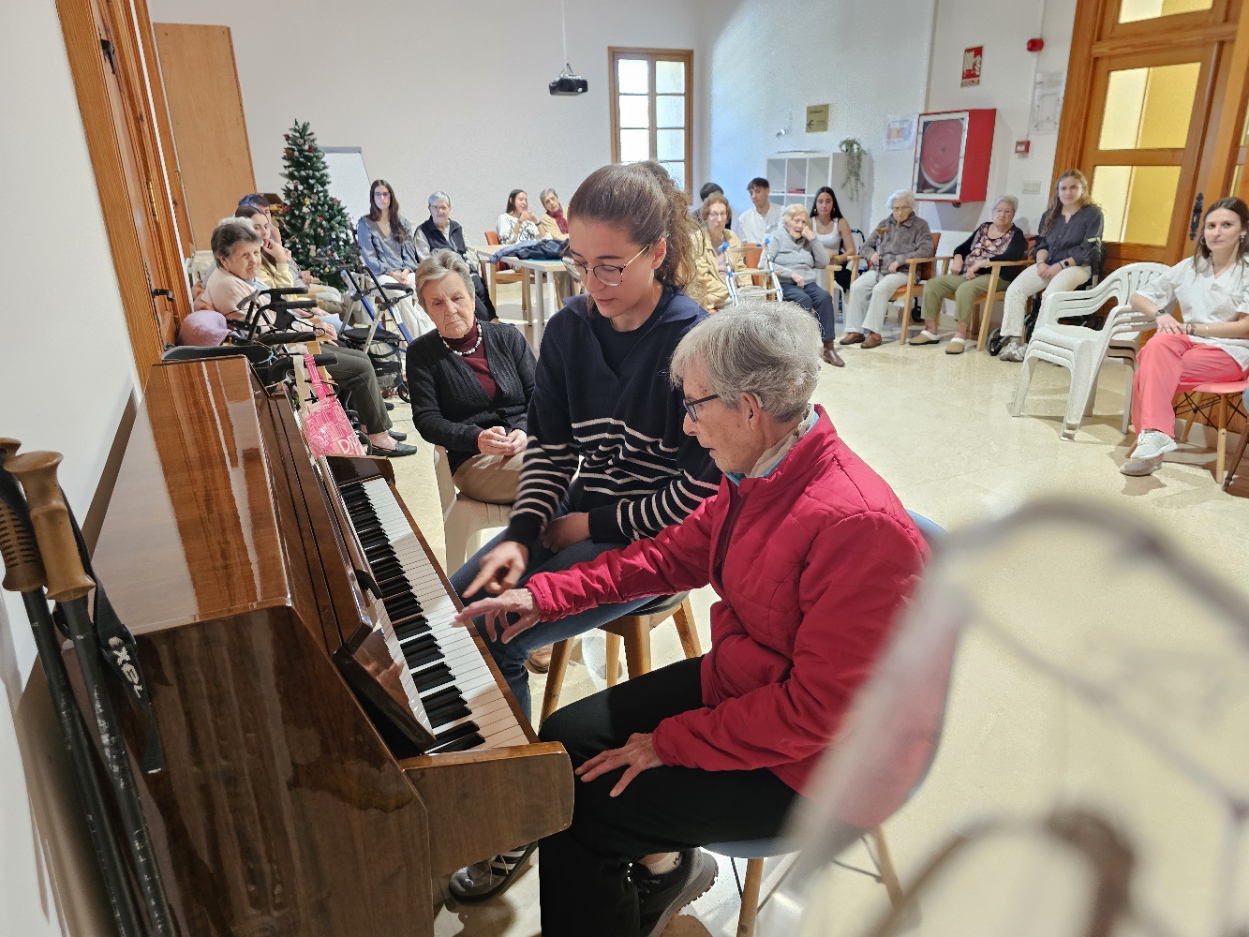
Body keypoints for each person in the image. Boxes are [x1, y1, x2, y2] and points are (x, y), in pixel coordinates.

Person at [457, 302, 929, 937]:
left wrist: (670, 744)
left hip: (824, 767)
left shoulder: (858, 527)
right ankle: (659, 876)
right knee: (563, 740)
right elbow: (669, 555)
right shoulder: (756, 472)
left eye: (695, 406)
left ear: (749, 407)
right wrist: (548, 596)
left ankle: (637, 881)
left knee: (588, 812)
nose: (685, 423)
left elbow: (821, 713)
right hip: (751, 686)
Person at [445, 161, 721, 902]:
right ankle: (482, 778)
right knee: (455, 607)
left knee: (497, 628)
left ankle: (511, 822)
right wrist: (522, 531)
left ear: (657, 252)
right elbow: (553, 449)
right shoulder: (568, 329)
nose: (592, 283)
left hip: (649, 544)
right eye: (579, 262)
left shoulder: (692, 340)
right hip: (573, 511)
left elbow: (699, 489)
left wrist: (587, 524)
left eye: (611, 266)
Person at [197, 221, 415, 456]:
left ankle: (368, 427)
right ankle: (379, 437)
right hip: (283, 356)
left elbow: (276, 314)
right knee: (361, 366)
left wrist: (314, 328)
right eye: (245, 256)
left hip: (287, 344)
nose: (254, 261)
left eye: (256, 253)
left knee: (356, 355)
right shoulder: (229, 285)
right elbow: (266, 333)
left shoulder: (236, 278)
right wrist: (313, 334)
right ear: (223, 259)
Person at [1119, 197, 1249, 476]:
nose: (1216, 232)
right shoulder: (1190, 267)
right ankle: (1155, 437)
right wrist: (1161, 315)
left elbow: (1245, 327)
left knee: (1146, 373)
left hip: (1229, 350)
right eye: (1211, 225)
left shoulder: (1247, 269)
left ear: (1243, 230)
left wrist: (1194, 329)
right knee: (1159, 341)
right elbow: (1138, 296)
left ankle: (1152, 446)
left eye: (1226, 225)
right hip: (1186, 344)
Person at [406, 250, 535, 502]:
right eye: (437, 303)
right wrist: (475, 438)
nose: (451, 309)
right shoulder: (421, 354)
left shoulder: (508, 337)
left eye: (457, 298)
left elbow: (541, 395)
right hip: (474, 460)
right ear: (427, 311)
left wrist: (524, 429)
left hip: (528, 446)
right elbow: (427, 419)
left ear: (472, 299)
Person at [998, 169, 1104, 362]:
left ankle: (1038, 344)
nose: (1068, 192)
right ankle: (1015, 342)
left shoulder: (1092, 214)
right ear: (1058, 191)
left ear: (1083, 189)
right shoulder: (1050, 214)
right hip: (1047, 264)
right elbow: (1042, 244)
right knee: (1015, 290)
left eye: (1073, 187)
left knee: (1050, 296)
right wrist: (1040, 263)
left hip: (1077, 267)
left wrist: (1058, 267)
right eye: (1064, 188)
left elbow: (1087, 250)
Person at [917, 196, 1028, 353]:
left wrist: (982, 263)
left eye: (1007, 211)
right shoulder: (984, 228)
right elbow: (962, 248)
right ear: (993, 212)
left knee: (966, 289)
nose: (1002, 214)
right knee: (933, 284)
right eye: (999, 210)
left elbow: (1012, 256)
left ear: (1013, 214)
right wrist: (957, 258)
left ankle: (959, 336)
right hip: (967, 273)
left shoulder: (1016, 235)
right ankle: (930, 331)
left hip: (997, 276)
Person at [841, 190, 934, 349]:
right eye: (896, 208)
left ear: (911, 207)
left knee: (880, 289)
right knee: (857, 286)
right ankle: (855, 331)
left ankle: (874, 333)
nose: (899, 212)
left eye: (903, 208)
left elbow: (926, 250)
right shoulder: (884, 224)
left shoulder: (920, 226)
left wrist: (900, 260)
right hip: (880, 270)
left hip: (905, 272)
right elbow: (865, 246)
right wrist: (871, 254)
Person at [356, 179, 433, 338]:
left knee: (427, 286)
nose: (382, 198)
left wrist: (405, 271)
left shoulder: (402, 222)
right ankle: (418, 339)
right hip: (380, 276)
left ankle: (431, 332)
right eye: (378, 195)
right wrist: (393, 273)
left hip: (404, 273)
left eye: (385, 194)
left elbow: (409, 252)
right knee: (402, 295)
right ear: (372, 197)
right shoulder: (365, 224)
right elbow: (370, 258)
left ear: (391, 197)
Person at [769, 204, 844, 366]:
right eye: (796, 221)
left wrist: (814, 239)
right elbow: (765, 264)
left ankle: (828, 347)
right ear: (787, 222)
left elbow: (823, 262)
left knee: (824, 298)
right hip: (785, 284)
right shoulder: (776, 238)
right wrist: (792, 274)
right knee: (804, 300)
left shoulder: (808, 240)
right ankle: (801, 351)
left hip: (808, 283)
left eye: (804, 222)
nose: (800, 225)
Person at [413, 190, 497, 322]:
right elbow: (425, 260)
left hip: (465, 269)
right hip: (442, 275)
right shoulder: (422, 231)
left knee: (477, 284)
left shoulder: (456, 227)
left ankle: (490, 320)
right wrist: (449, 269)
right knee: (466, 288)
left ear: (449, 209)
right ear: (429, 209)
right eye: (436, 207)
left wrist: (468, 264)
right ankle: (490, 322)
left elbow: (470, 250)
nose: (440, 211)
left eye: (443, 207)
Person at [810, 185, 856, 295]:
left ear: (833, 203)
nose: (824, 205)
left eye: (828, 201)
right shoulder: (809, 222)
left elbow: (851, 250)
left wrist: (836, 258)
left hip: (832, 266)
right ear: (815, 204)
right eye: (820, 202)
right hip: (813, 265)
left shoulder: (841, 223)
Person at [700, 193, 746, 282]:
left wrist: (747, 287)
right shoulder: (698, 240)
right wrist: (727, 292)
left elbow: (741, 268)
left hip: (735, 290)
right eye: (714, 214)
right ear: (706, 217)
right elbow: (703, 277)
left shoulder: (732, 237)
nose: (719, 219)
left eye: (723, 214)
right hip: (713, 292)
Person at [736, 177, 783, 245]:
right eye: (751, 193)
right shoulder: (744, 218)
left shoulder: (782, 212)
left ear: (767, 191)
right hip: (753, 254)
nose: (754, 196)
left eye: (758, 191)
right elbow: (743, 246)